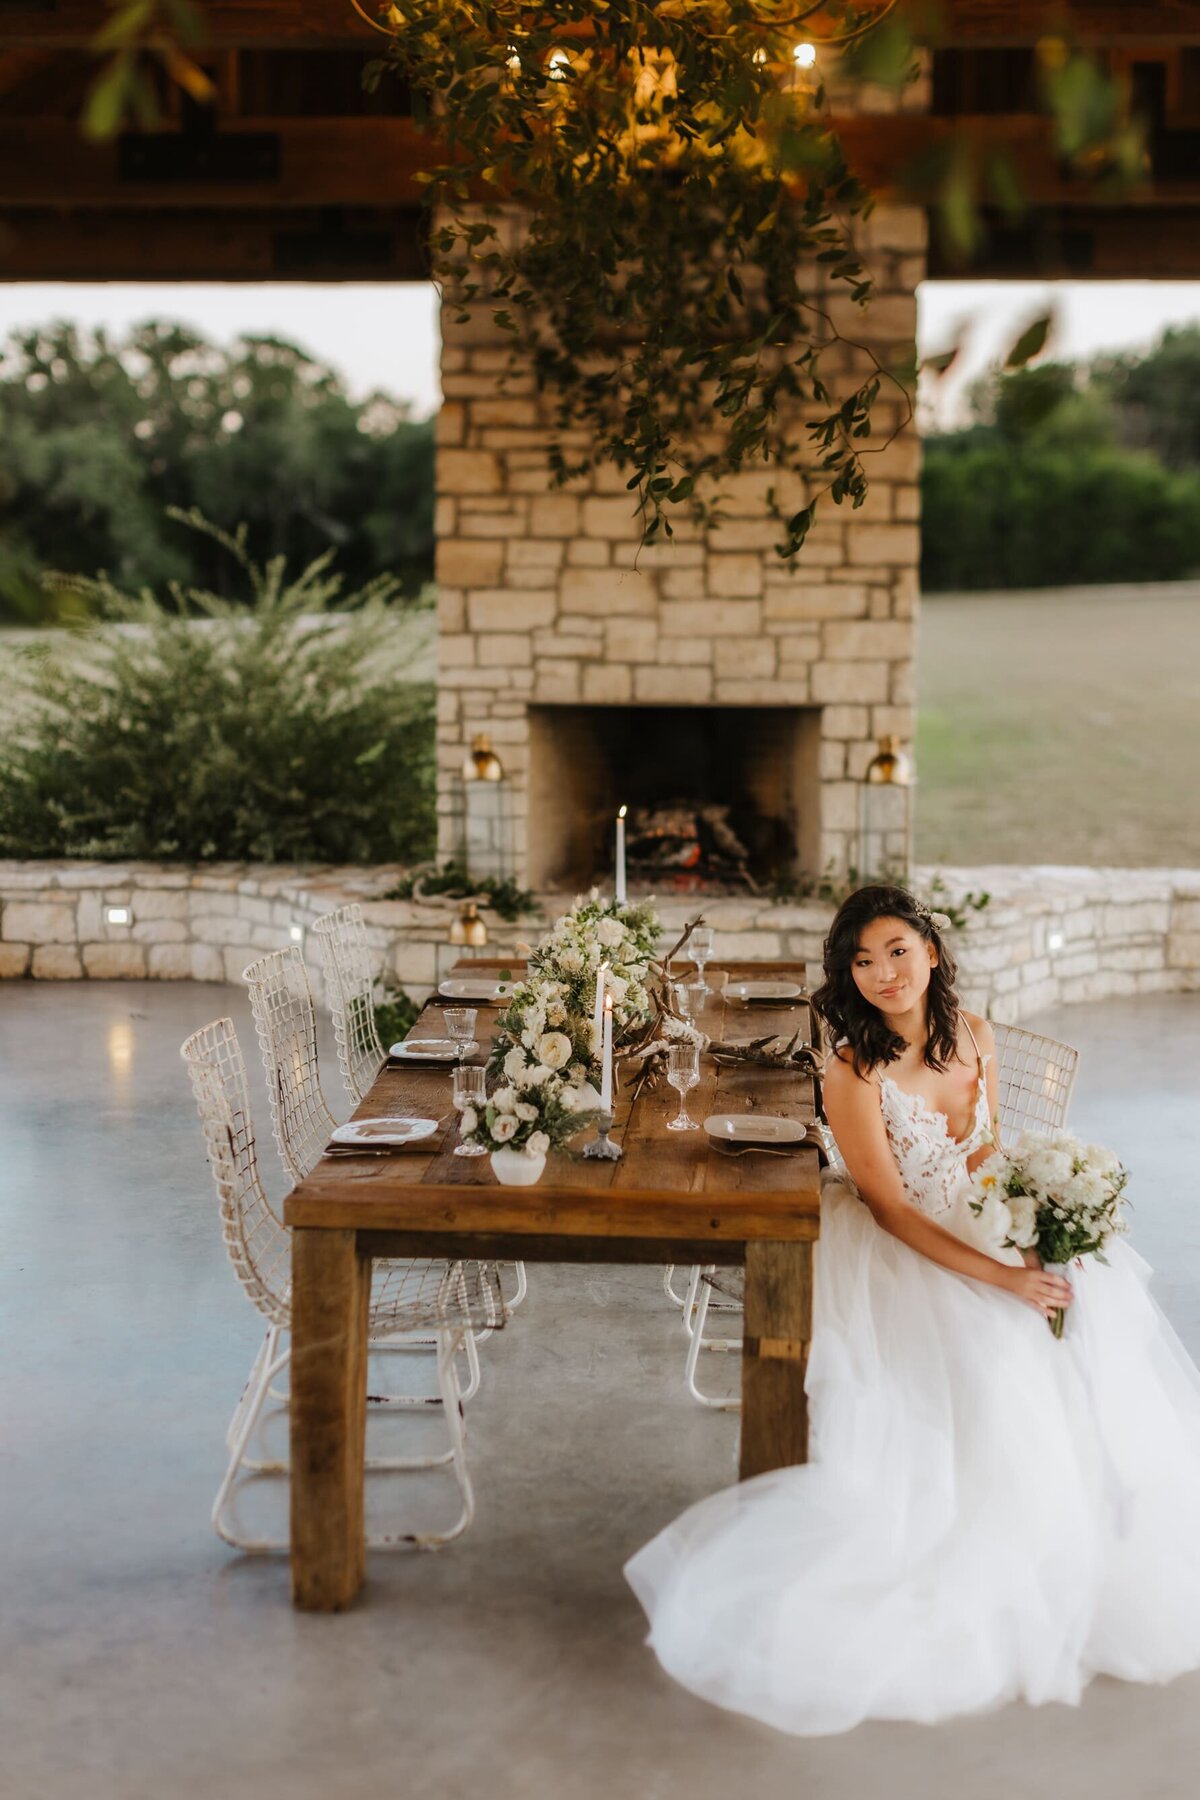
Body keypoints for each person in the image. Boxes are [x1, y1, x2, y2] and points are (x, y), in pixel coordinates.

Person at [626, 884, 1200, 1736]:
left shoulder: (975, 1033)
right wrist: (1001, 1280)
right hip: (901, 1244)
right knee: (998, 1349)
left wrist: (1034, 1232)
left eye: (897, 951)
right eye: (862, 962)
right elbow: (892, 1209)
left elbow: (994, 1152)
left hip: (985, 1215)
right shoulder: (852, 1072)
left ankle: (1087, 1548)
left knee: (1092, 1316)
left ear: (931, 952)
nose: (883, 973)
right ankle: (992, 1557)